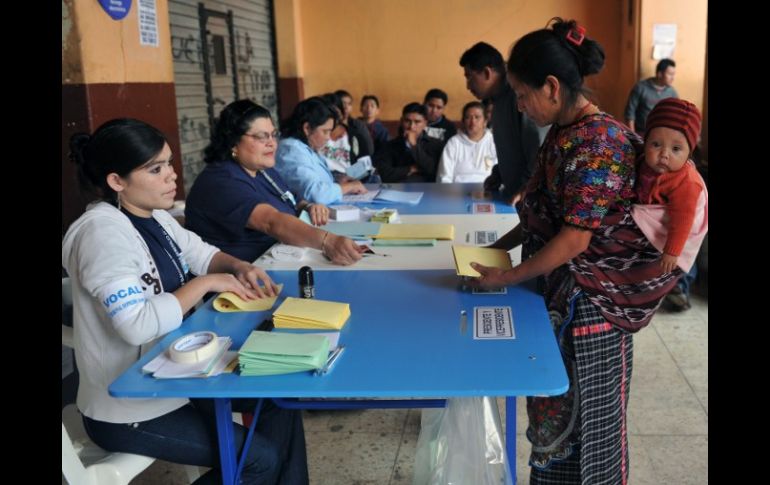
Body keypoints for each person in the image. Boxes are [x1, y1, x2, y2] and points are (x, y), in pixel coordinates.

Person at [466, 19, 681, 484]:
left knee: (591, 431)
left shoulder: (598, 142)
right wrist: (496, 253)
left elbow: (575, 238)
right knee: (554, 420)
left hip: (592, 312)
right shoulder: (564, 132)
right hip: (563, 296)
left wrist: (503, 276)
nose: (519, 106)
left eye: (523, 95)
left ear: (551, 86)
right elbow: (541, 214)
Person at [61, 118, 309, 484]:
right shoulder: (101, 233)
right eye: (156, 169)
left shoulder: (155, 216)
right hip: (131, 407)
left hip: (179, 375)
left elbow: (202, 253)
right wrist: (208, 283)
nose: (171, 176)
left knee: (277, 399)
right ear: (117, 181)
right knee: (258, 460)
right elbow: (137, 325)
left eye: (169, 163)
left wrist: (238, 267)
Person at [184, 100, 364, 265]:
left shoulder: (262, 170)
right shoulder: (221, 181)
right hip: (243, 279)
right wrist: (328, 241)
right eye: (262, 137)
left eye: (273, 135)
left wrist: (308, 206)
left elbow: (290, 200)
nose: (272, 143)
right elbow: (271, 222)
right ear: (233, 141)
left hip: (283, 260)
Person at [631, 97, 708, 311]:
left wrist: (672, 251)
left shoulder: (686, 182)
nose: (664, 154)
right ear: (645, 142)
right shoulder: (642, 163)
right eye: (656, 144)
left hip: (671, 238)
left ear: (689, 152)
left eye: (676, 149)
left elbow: (683, 219)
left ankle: (677, 288)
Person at [459, 41, 542, 204]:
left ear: (487, 72)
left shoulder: (519, 95)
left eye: (469, 76)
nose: (468, 85)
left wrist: (527, 187)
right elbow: (513, 148)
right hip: (513, 196)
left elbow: (538, 149)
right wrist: (499, 173)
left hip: (529, 198)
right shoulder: (496, 101)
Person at [275, 97, 367, 205]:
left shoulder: (306, 147)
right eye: (325, 132)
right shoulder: (290, 151)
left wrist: (337, 180)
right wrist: (349, 187)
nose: (328, 137)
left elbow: (314, 177)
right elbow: (315, 194)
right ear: (307, 128)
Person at [373, 102, 444, 183]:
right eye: (407, 121)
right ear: (401, 121)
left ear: (425, 123)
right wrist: (410, 169)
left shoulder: (436, 144)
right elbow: (384, 174)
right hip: (397, 191)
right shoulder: (390, 145)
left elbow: (433, 171)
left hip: (427, 190)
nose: (411, 126)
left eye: (417, 122)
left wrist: (414, 145)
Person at [436, 101, 497, 183]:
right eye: (468, 117)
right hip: (457, 192)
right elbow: (444, 176)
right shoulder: (454, 143)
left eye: (477, 117)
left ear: (485, 122)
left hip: (488, 190)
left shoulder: (494, 142)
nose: (473, 122)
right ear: (463, 121)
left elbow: (500, 174)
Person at [624, 58, 678, 134]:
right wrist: (633, 135)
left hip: (663, 134)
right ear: (659, 74)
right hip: (642, 132)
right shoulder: (640, 87)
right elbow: (630, 114)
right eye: (670, 74)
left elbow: (676, 115)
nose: (673, 78)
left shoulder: (672, 92)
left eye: (673, 74)